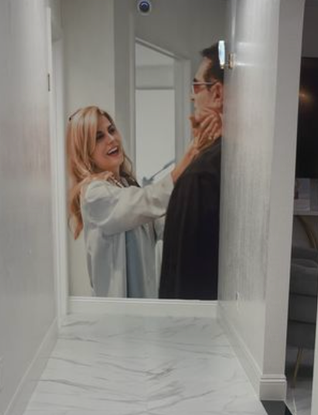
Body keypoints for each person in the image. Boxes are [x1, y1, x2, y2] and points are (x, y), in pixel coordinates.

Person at [66, 106, 215, 298]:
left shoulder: (126, 186)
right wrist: (190, 154)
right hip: (117, 317)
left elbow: (161, 223)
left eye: (111, 130)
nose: (111, 139)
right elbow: (149, 200)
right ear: (85, 152)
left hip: (142, 308)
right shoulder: (95, 195)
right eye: (98, 137)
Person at [159, 43, 224, 300]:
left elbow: (184, 279)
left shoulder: (200, 178)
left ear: (217, 93)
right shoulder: (223, 163)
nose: (192, 96)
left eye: (196, 86)